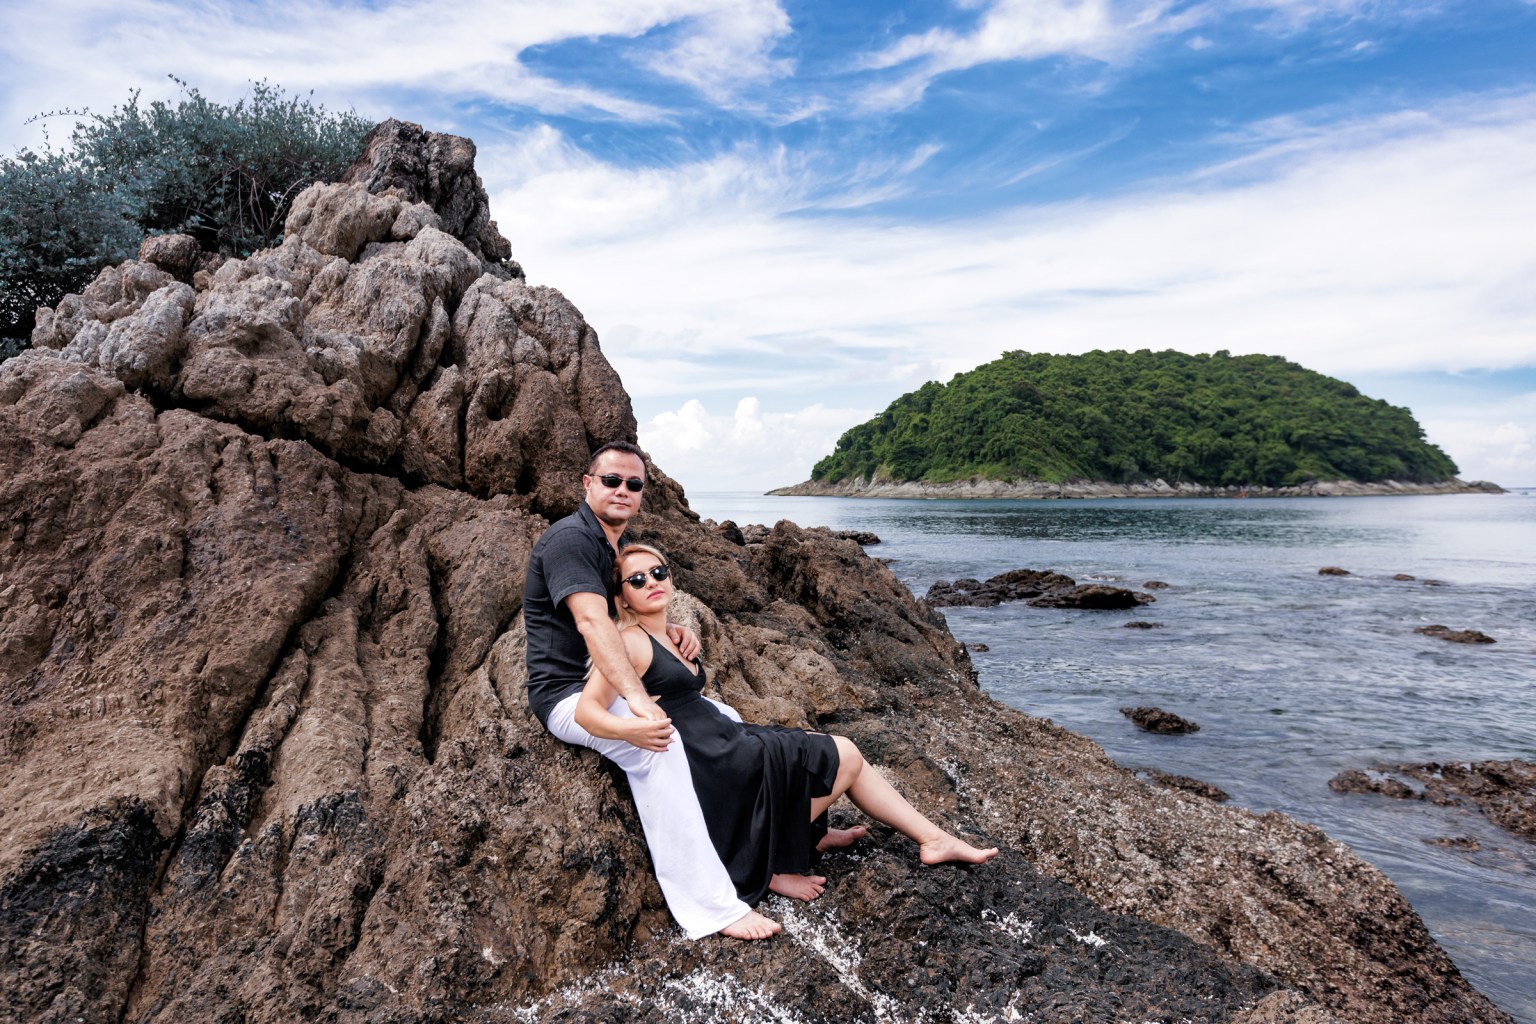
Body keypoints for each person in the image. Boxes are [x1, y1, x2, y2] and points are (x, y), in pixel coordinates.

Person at [524, 441, 852, 940]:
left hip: (606, 676)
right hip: (569, 695)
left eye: (633, 484)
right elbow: (593, 622)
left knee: (723, 716)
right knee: (662, 747)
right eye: (611, 480)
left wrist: (669, 632)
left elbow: (623, 613)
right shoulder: (571, 540)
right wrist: (637, 705)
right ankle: (716, 906)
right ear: (587, 484)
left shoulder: (610, 545)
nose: (622, 490)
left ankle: (785, 835)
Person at [575, 542, 1000, 920]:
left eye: (659, 572)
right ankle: (782, 861)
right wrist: (631, 732)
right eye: (636, 579)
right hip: (708, 759)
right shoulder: (628, 641)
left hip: (725, 738)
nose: (651, 582)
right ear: (622, 598)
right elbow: (586, 712)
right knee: (843, 754)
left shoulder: (672, 633)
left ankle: (826, 838)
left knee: (829, 753)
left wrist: (675, 635)